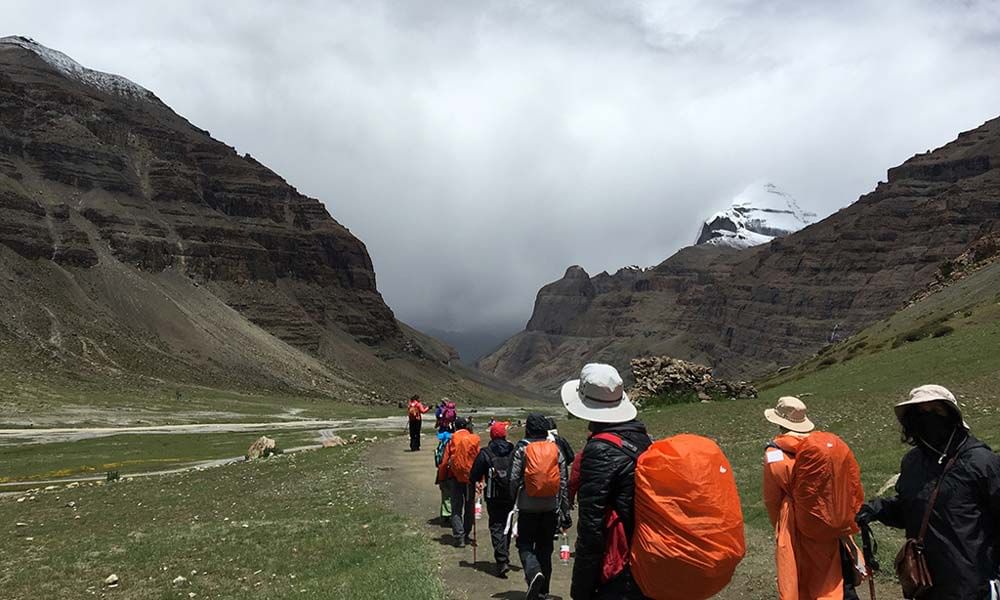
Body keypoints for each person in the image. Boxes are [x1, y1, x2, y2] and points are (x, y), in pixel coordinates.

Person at [857, 385, 1000, 600]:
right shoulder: (913, 462)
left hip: (973, 584)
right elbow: (912, 509)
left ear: (952, 414)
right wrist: (876, 509)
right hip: (925, 583)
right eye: (920, 413)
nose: (928, 418)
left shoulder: (981, 462)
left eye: (936, 410)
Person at [562, 363, 651, 600]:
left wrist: (580, 590)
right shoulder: (643, 439)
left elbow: (592, 528)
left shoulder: (600, 449)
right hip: (648, 561)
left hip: (620, 572)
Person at [762, 396, 864, 600]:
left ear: (779, 422)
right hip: (831, 520)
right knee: (836, 575)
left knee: (806, 578)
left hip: (798, 524)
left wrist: (781, 526)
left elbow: (772, 498)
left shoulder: (774, 453)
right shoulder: (824, 447)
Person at [510, 413, 570, 600]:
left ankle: (533, 571)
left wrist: (514, 499)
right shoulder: (555, 449)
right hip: (550, 507)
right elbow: (563, 483)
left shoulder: (522, 449)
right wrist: (564, 510)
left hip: (528, 506)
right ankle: (543, 592)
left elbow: (513, 478)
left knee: (524, 543)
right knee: (545, 547)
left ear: (528, 428)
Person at [470, 421, 516, 578]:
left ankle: (502, 559)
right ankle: (505, 554)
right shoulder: (513, 451)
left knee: (496, 525)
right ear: (504, 435)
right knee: (507, 525)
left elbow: (474, 475)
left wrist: (478, 483)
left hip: (493, 495)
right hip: (510, 494)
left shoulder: (485, 453)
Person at [437, 417, 481, 547]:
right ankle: (466, 533)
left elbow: (444, 462)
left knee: (456, 507)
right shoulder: (473, 439)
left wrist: (441, 477)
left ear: (455, 427)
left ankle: (459, 536)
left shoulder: (451, 440)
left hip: (454, 477)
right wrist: (480, 479)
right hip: (470, 477)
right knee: (469, 506)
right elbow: (478, 459)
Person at [434, 427, 454, 523]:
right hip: (454, 473)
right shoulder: (454, 443)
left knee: (445, 495)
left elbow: (440, 461)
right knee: (454, 495)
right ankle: (453, 514)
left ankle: (446, 514)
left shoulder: (442, 446)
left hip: (444, 472)